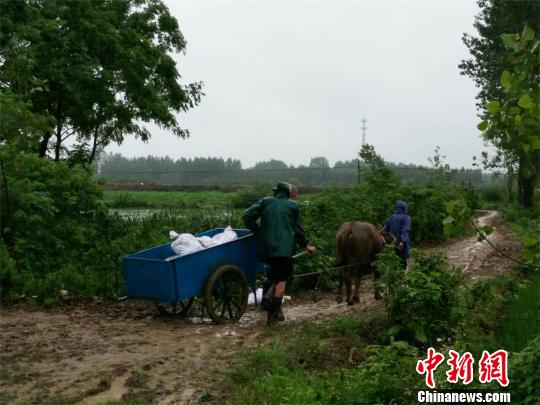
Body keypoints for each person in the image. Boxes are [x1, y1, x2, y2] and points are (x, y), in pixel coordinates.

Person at [243, 181, 316, 325]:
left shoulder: (265, 201)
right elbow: (298, 231)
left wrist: (258, 232)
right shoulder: (293, 205)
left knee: (273, 277)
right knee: (283, 280)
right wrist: (306, 245)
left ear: (276, 192)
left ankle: (269, 304)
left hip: (266, 249)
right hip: (284, 250)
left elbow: (247, 216)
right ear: (289, 193)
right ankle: (272, 317)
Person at [383, 200, 411, 269]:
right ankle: (402, 277)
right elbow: (405, 230)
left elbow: (385, 228)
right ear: (404, 208)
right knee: (402, 260)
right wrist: (402, 241)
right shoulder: (406, 218)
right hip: (400, 243)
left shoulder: (392, 217)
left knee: (393, 259)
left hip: (391, 242)